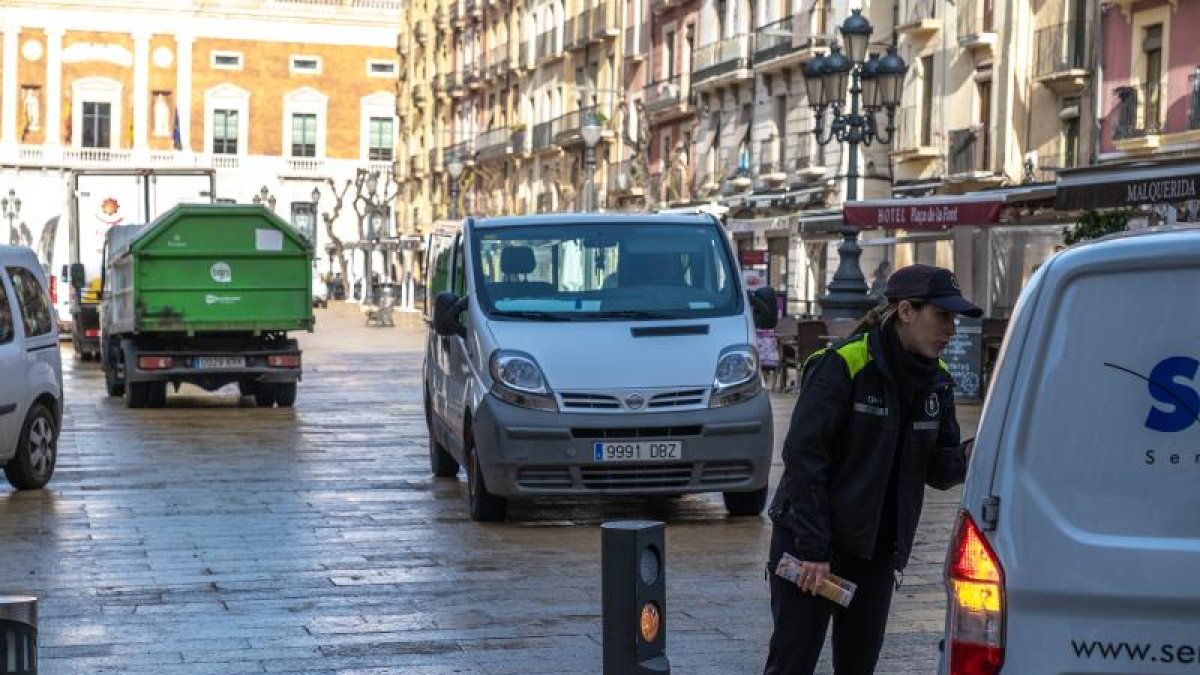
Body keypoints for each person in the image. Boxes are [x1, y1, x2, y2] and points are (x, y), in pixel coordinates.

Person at [763, 264, 980, 675]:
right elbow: (804, 461)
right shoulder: (845, 365)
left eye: (955, 318)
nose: (952, 328)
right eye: (943, 315)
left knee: (859, 666)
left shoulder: (939, 382)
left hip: (876, 554)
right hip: (813, 543)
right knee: (792, 664)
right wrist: (813, 550)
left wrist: (975, 453)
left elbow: (939, 468)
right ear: (904, 311)